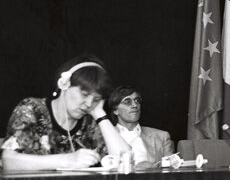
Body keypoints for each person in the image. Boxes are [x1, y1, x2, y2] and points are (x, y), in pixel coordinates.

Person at [2, 56, 131, 171]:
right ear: (64, 85)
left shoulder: (90, 123)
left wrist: (100, 115)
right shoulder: (32, 109)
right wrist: (67, 160)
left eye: (96, 99)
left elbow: (124, 160)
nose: (88, 104)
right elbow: (9, 161)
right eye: (84, 94)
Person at [108, 85, 173, 169]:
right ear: (115, 110)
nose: (135, 105)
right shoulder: (105, 138)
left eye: (137, 100)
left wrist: (151, 168)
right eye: (127, 102)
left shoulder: (161, 136)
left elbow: (171, 170)